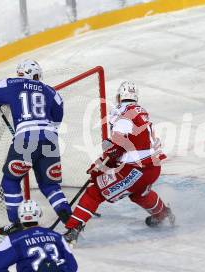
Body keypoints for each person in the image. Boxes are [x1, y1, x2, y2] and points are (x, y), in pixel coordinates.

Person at [63, 81, 175, 245]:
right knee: (138, 193)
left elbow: (117, 147)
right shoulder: (140, 111)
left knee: (95, 192)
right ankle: (162, 213)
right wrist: (106, 163)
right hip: (153, 167)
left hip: (137, 170)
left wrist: (100, 166)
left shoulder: (123, 115)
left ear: (119, 96)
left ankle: (73, 230)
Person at [0, 60, 71, 235]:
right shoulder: (52, 92)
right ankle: (70, 220)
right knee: (50, 186)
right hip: (50, 139)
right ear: (37, 75)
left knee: (10, 181)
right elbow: (57, 119)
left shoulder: (11, 83)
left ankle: (17, 224)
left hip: (26, 140)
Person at [0, 200, 78, 272]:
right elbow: (73, 266)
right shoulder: (57, 236)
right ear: (39, 214)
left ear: (20, 217)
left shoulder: (14, 240)